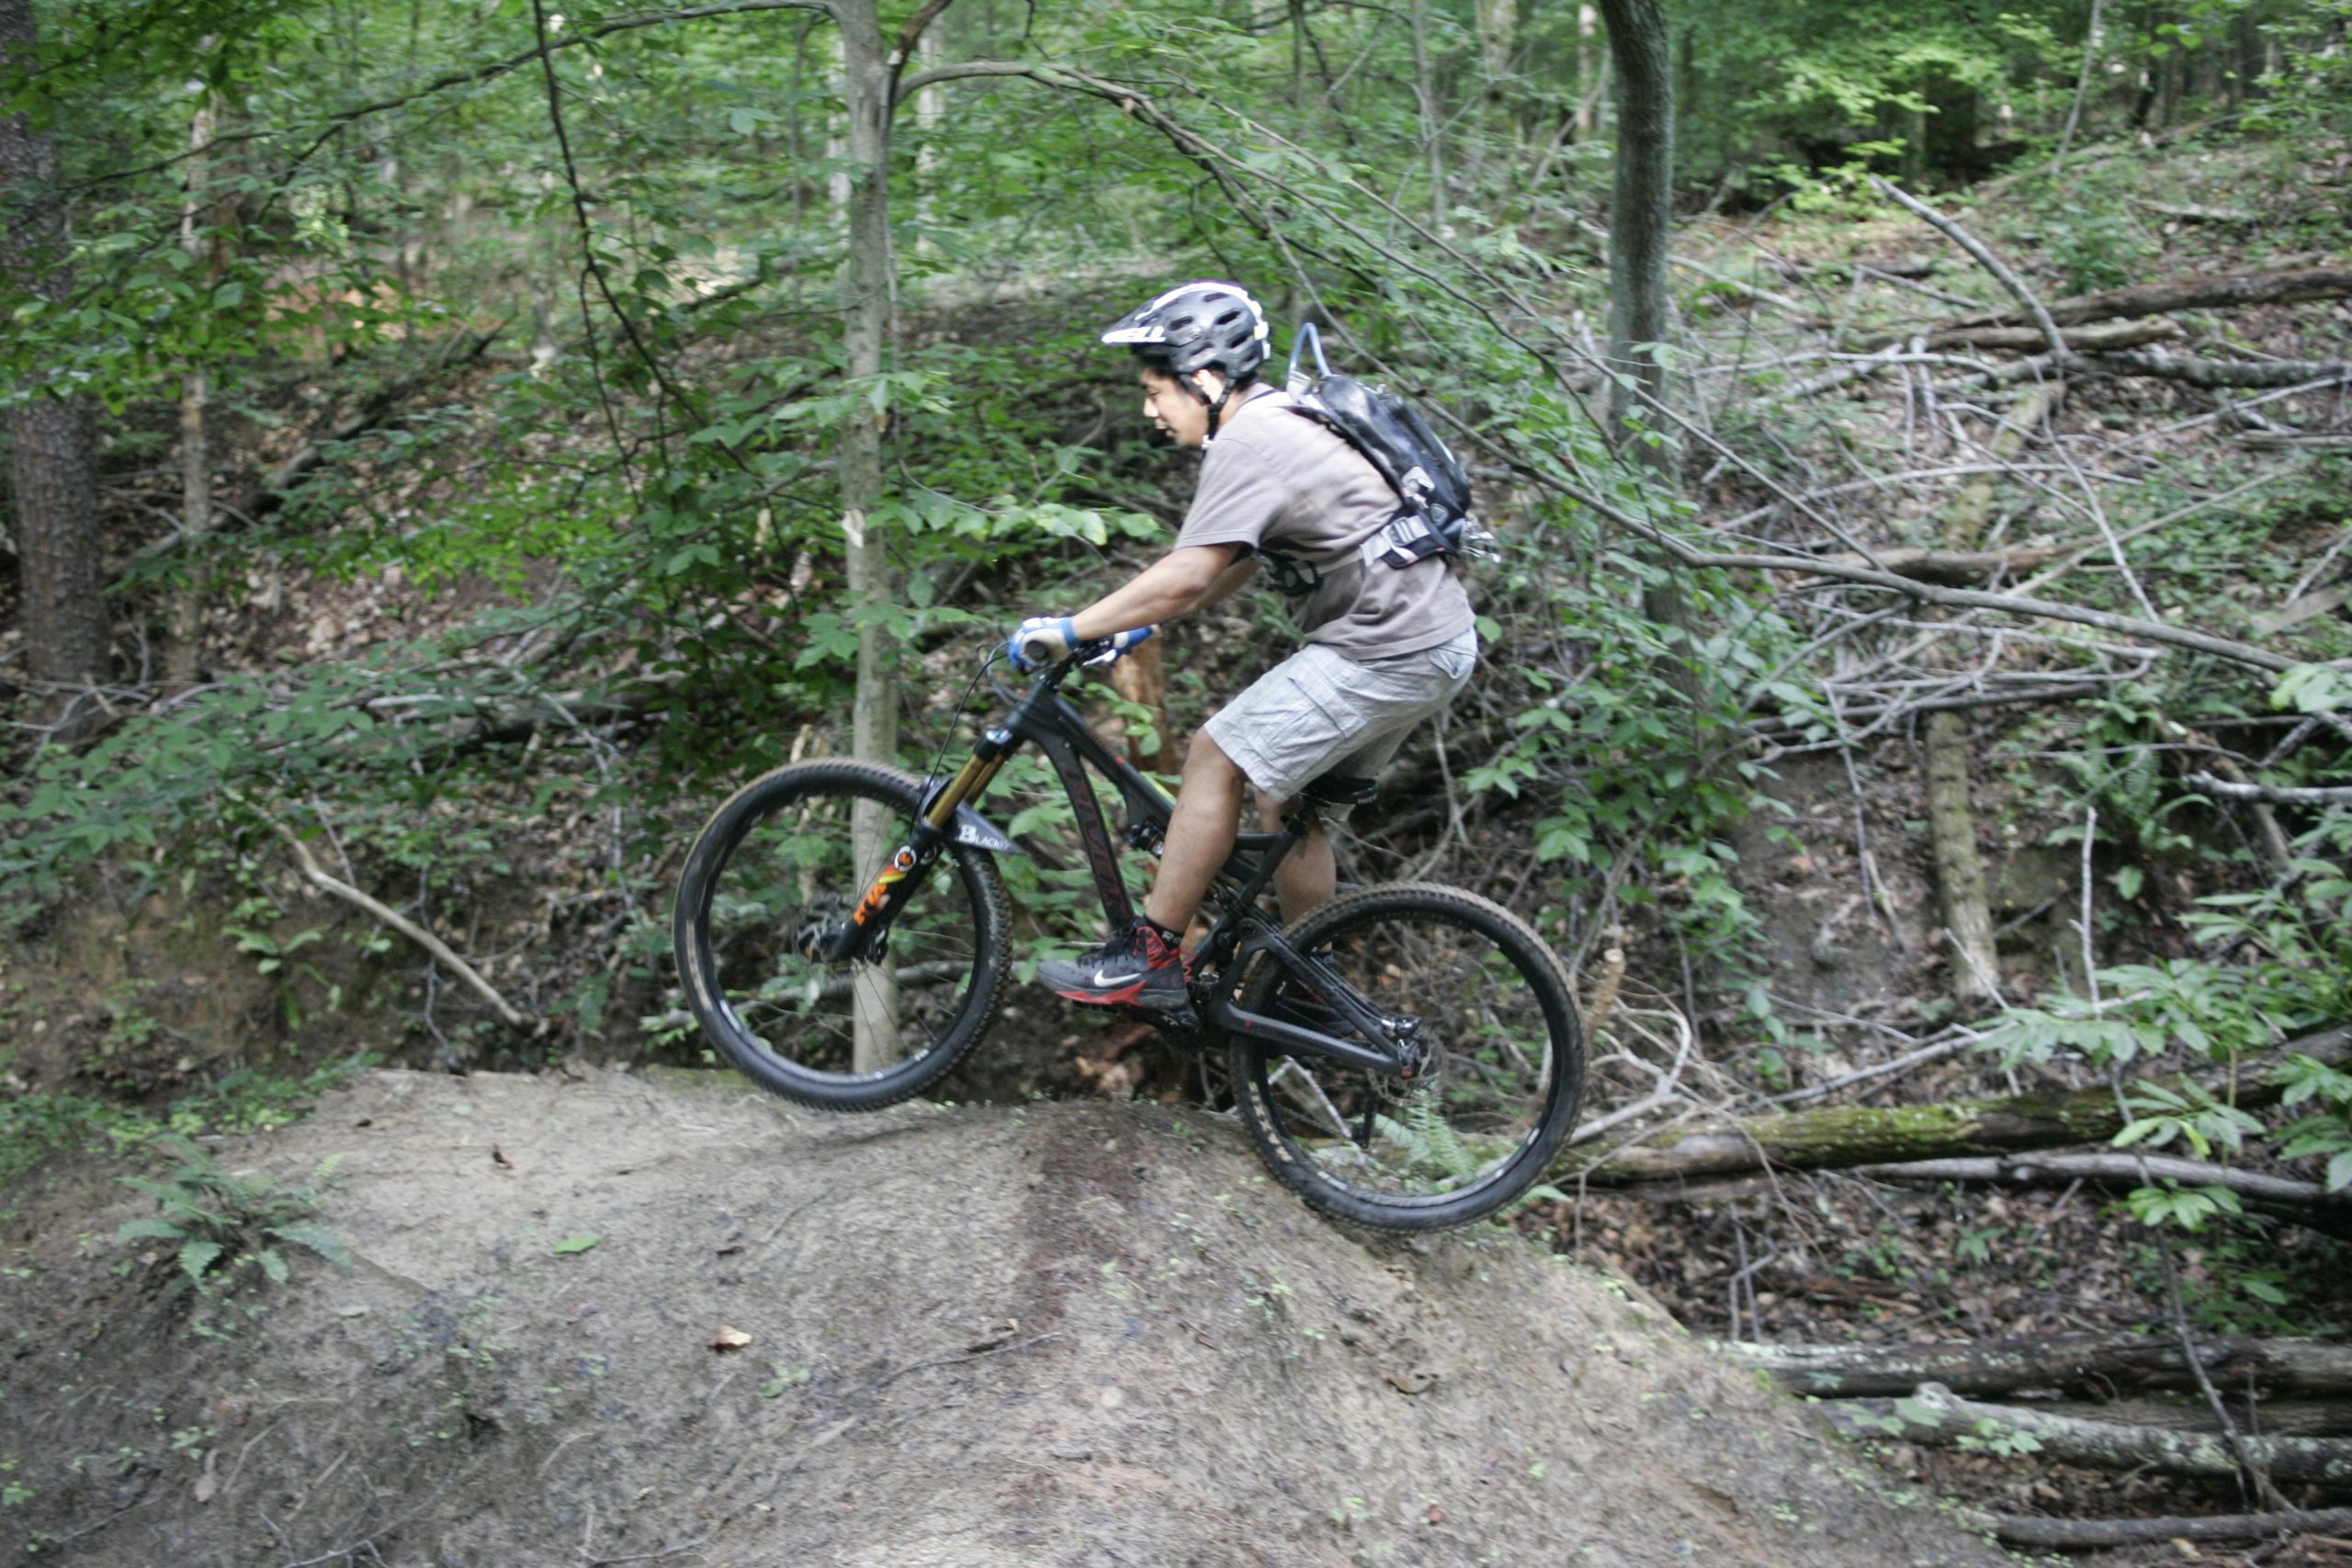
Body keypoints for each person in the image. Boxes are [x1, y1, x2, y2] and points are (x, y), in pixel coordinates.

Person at [1011, 281, 1478, 1014]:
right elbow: (1240, 563)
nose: (1149, 410)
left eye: (1154, 390)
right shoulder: (1289, 421)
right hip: (1436, 643)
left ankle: (1150, 955)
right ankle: (1310, 980)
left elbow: (1189, 571)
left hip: (1384, 647)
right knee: (1294, 808)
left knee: (1214, 755)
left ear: (1203, 379)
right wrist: (1134, 626)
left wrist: (1072, 629)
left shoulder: (1251, 439)